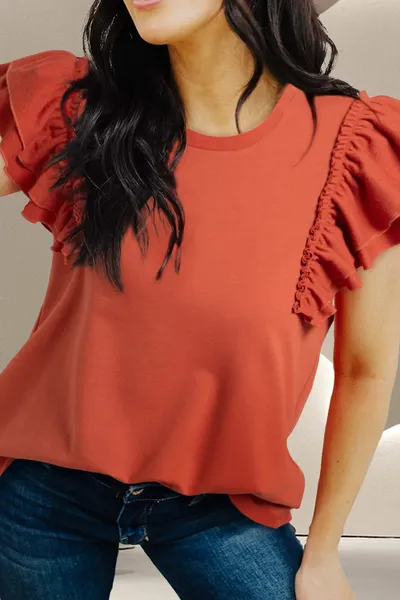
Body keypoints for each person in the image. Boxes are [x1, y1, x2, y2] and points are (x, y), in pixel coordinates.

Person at [0, 1, 399, 598]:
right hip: (44, 489)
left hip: (219, 505)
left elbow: (365, 369)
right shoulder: (82, 108)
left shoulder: (357, 145)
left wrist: (323, 553)